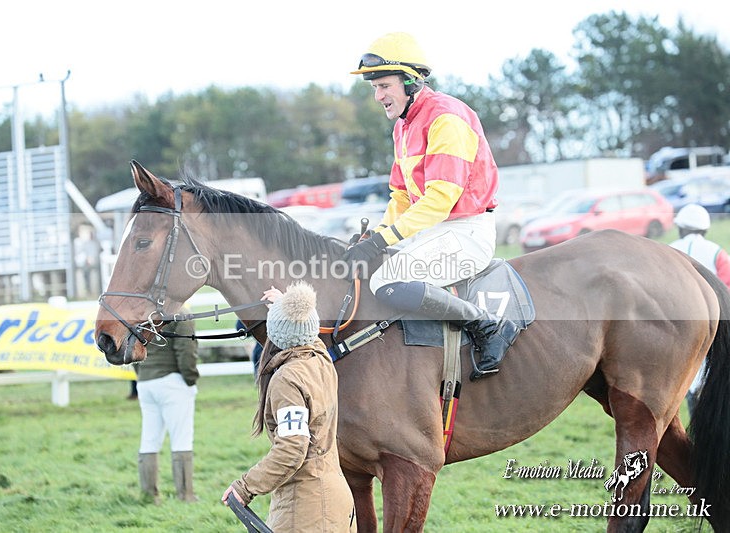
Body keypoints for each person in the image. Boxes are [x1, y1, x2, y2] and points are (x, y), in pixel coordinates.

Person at [345, 32, 519, 377]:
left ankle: (488, 327)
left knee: (385, 282)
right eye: (374, 88)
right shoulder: (403, 128)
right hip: (432, 232)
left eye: (384, 86)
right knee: (365, 272)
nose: (378, 96)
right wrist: (376, 236)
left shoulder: (446, 118)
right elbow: (401, 196)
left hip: (466, 232)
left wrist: (385, 239)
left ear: (411, 82)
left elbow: (441, 199)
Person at [222, 282, 356, 532]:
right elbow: (303, 330)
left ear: (275, 331)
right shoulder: (321, 358)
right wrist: (287, 304)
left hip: (307, 510)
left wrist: (245, 487)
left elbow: (292, 449)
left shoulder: (287, 380)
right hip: (335, 500)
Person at [669, 203, 730, 417]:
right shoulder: (717, 253)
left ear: (682, 228)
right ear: (704, 229)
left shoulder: (669, 249)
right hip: (712, 325)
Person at [135, 313, 200, 503]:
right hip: (172, 381)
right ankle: (186, 495)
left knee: (149, 439)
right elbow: (186, 351)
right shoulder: (181, 315)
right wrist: (190, 379)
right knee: (182, 438)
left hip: (145, 380)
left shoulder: (143, 314)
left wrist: (142, 375)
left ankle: (149, 494)